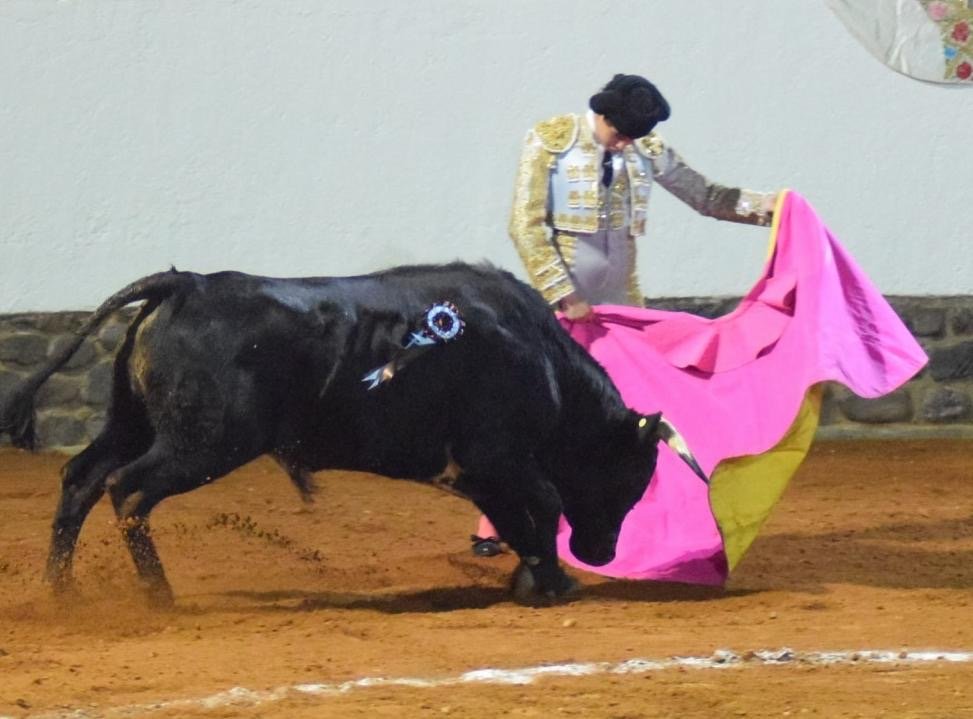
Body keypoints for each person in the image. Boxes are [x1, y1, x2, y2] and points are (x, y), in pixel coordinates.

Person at [471, 72, 779, 557]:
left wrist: (773, 208)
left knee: (631, 419)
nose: (625, 143)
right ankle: (495, 524)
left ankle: (631, 520)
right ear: (602, 114)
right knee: (536, 414)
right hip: (564, 308)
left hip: (620, 309)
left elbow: (708, 197)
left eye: (633, 135)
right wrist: (561, 293)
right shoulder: (550, 141)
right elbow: (524, 225)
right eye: (620, 132)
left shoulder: (646, 150)